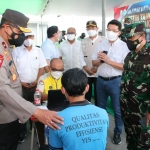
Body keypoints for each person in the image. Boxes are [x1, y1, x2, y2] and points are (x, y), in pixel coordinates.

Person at [0, 9, 63, 150]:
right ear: (6, 27)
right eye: (20, 31)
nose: (22, 36)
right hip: (4, 115)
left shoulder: (6, 47)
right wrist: (36, 111)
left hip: (12, 110)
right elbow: (2, 88)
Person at [45, 68, 109, 150]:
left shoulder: (56, 120)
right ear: (87, 88)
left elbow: (54, 149)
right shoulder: (103, 113)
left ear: (63, 90)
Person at [92, 19, 129, 144]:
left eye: (114, 30)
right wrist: (101, 60)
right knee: (101, 109)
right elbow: (93, 62)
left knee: (118, 110)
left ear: (119, 32)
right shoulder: (101, 44)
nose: (111, 32)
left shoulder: (124, 46)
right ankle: (101, 132)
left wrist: (108, 61)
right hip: (101, 81)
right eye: (109, 30)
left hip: (116, 82)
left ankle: (117, 132)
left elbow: (125, 66)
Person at [12, 31, 47, 142]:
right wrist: (20, 82)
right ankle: (22, 133)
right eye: (26, 37)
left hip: (35, 86)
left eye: (31, 36)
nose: (28, 39)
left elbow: (42, 67)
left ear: (34, 37)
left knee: (36, 107)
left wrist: (37, 80)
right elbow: (13, 69)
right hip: (20, 85)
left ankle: (37, 131)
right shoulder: (16, 51)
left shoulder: (38, 51)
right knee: (20, 109)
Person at [120, 22, 150, 150]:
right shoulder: (130, 55)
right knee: (131, 140)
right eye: (126, 38)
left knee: (143, 143)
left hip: (143, 111)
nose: (128, 41)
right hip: (127, 108)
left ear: (142, 36)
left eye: (131, 38)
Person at [81, 20, 106, 105]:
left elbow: (105, 56)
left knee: (98, 94)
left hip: (98, 72)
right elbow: (80, 56)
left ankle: (97, 111)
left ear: (97, 28)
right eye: (88, 28)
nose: (90, 29)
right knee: (86, 94)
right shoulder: (83, 41)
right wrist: (86, 68)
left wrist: (96, 67)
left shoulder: (103, 40)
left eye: (93, 27)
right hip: (86, 72)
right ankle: (87, 111)